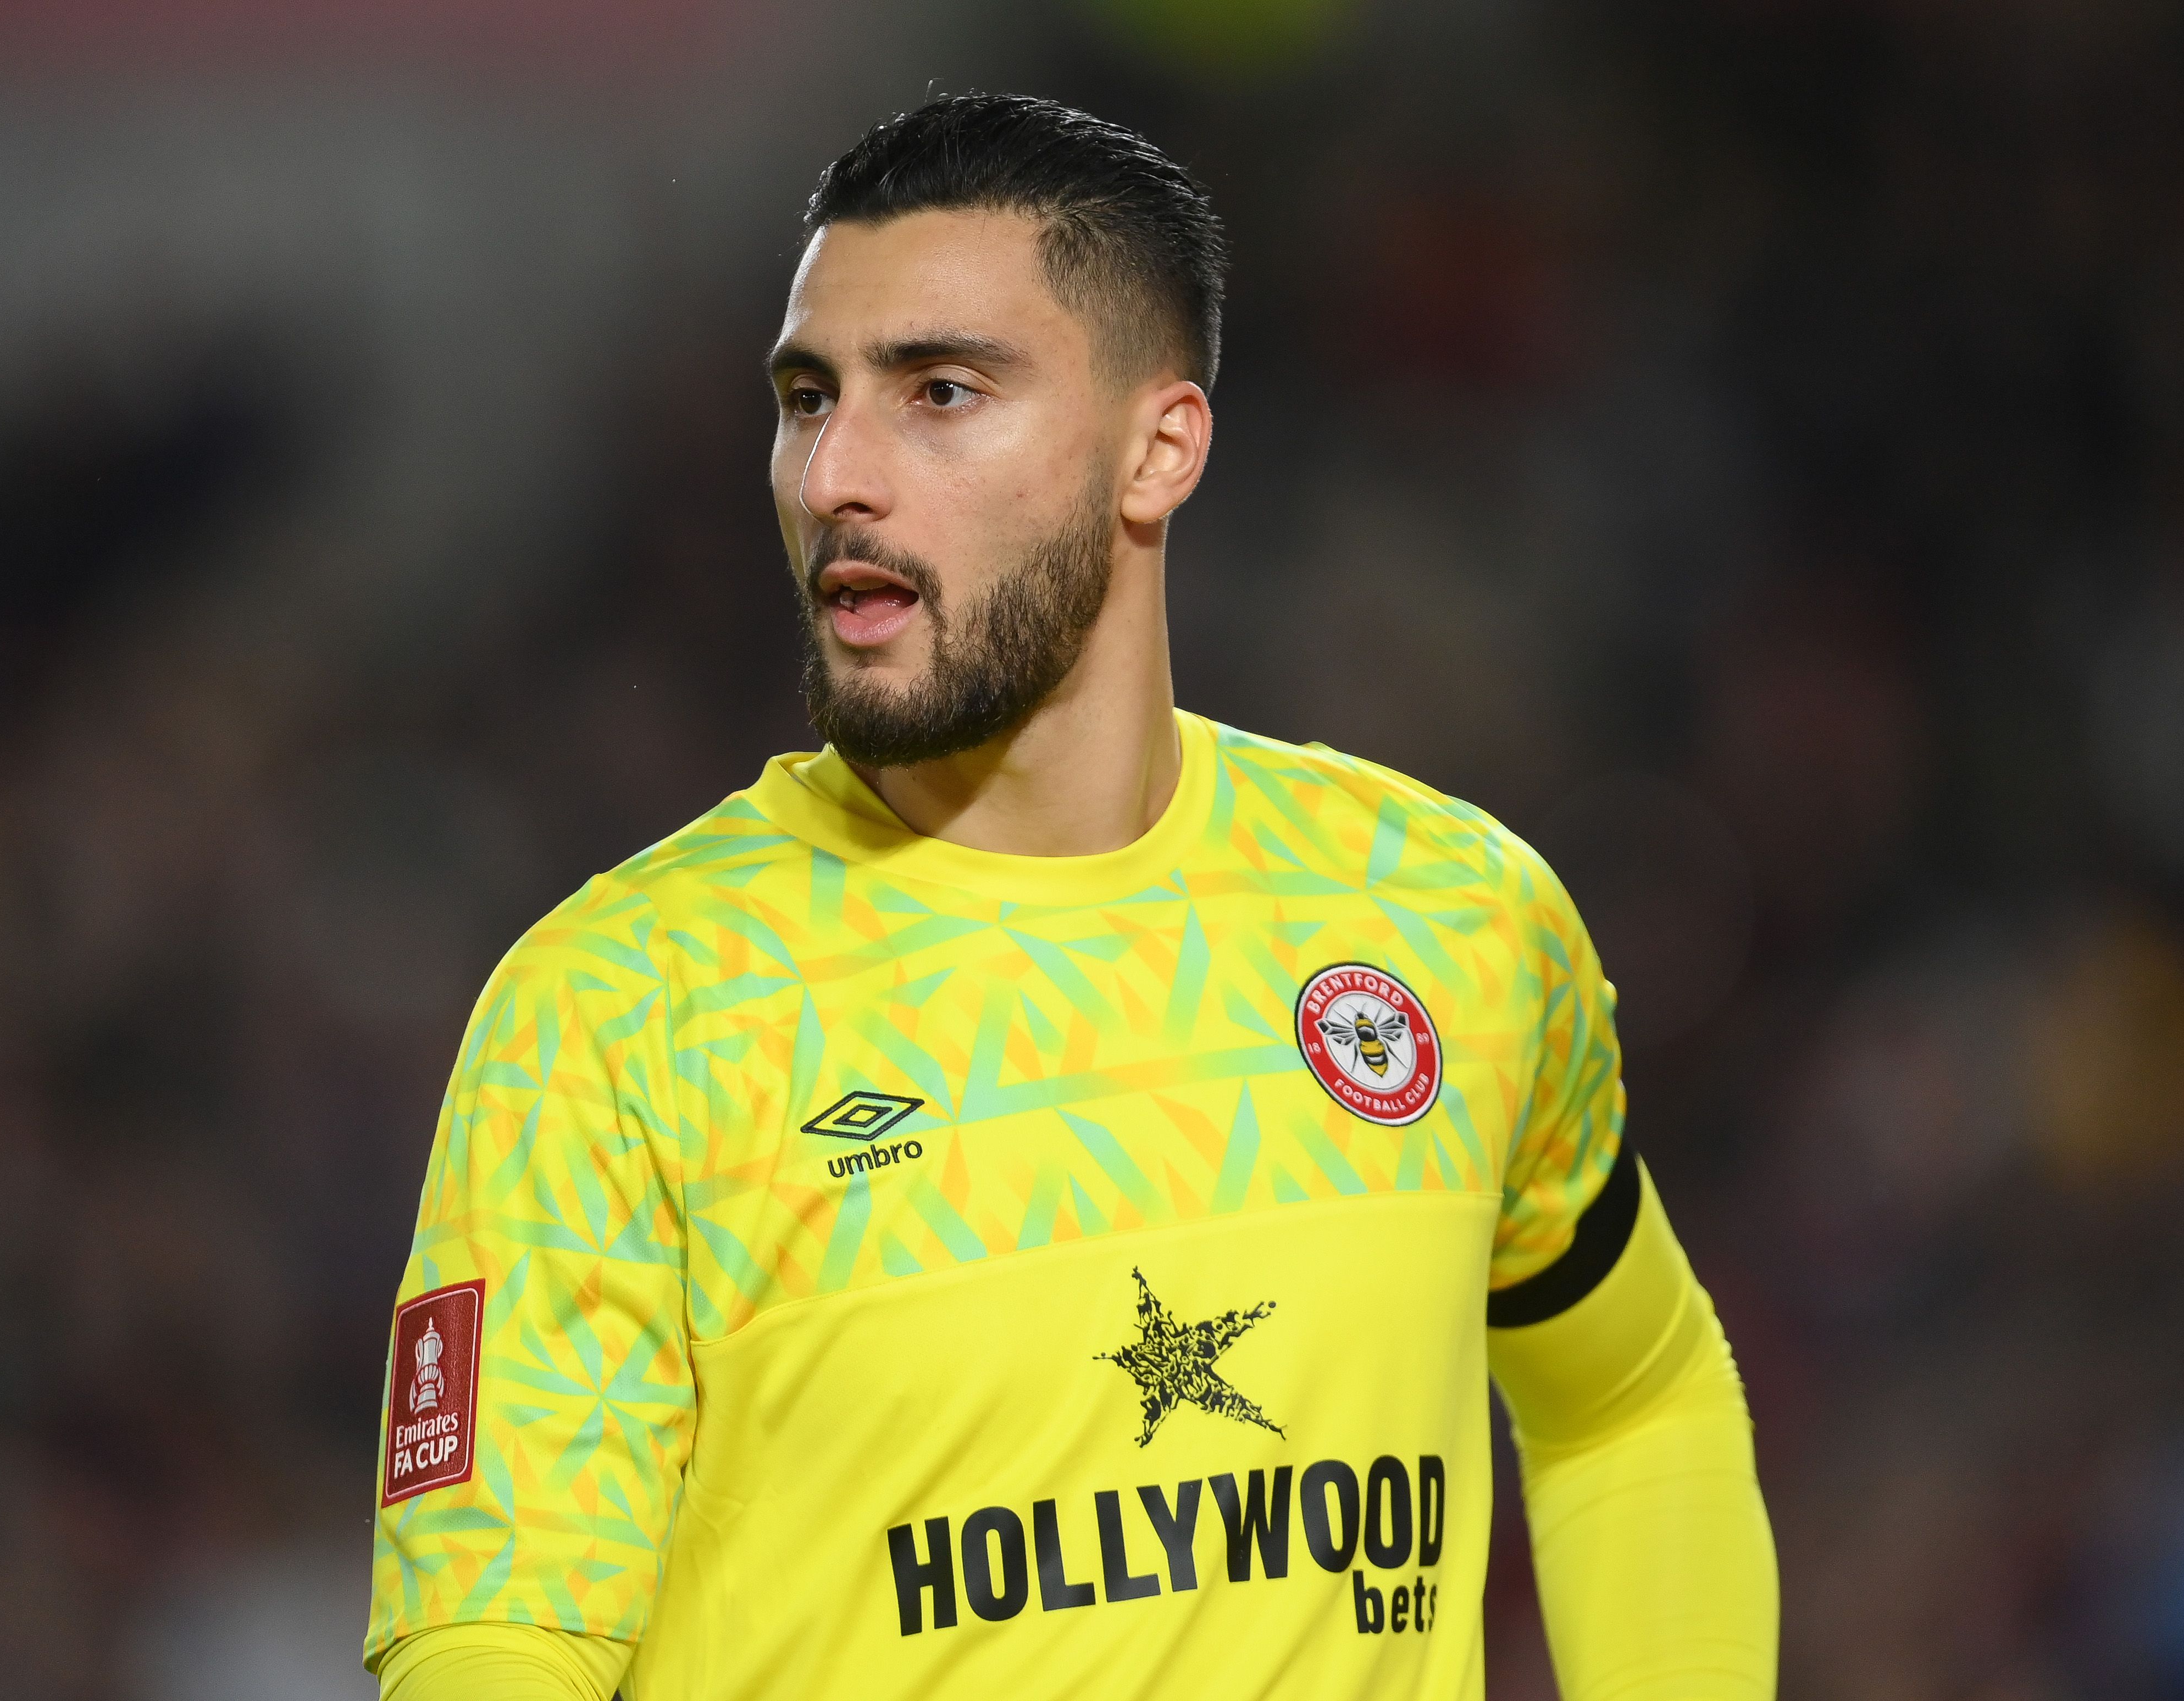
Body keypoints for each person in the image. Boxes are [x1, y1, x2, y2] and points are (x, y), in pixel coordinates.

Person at [365, 92, 1777, 1700]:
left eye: (941, 392)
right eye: (807, 397)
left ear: (1155, 450)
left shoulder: (1440, 919)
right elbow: (491, 1652)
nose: (837, 472)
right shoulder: (627, 1012)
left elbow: (1633, 1397)